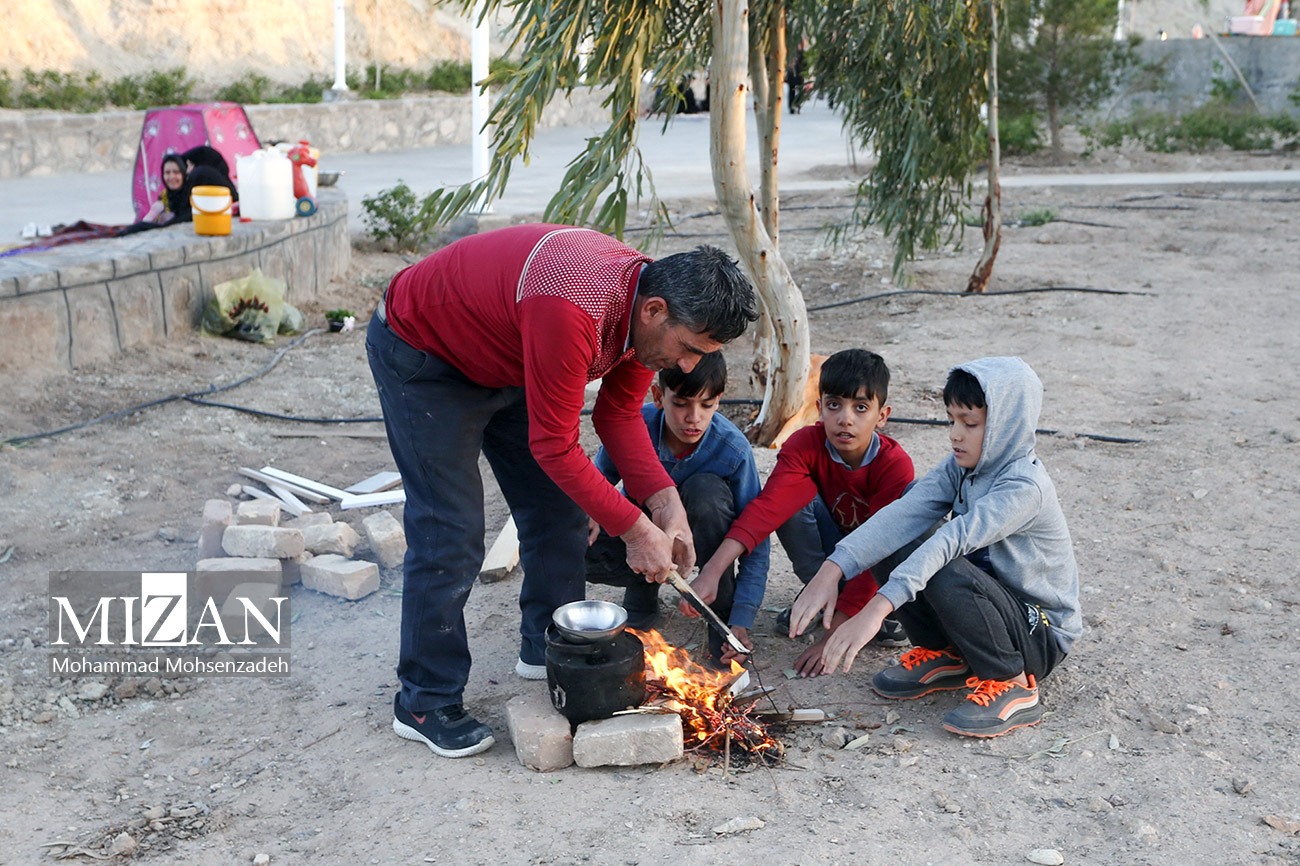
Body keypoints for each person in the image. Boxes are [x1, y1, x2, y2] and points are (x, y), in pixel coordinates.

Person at [367, 224, 758, 758]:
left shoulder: (640, 310)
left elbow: (618, 414)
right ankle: (424, 699)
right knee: (450, 530)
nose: (689, 367)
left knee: (557, 511)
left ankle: (548, 645)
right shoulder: (574, 304)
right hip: (427, 355)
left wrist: (667, 505)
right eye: (689, 349)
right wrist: (636, 527)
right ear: (654, 311)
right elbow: (555, 446)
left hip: (508, 353)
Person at [790, 357, 1081, 739]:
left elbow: (951, 541)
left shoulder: (1025, 487)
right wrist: (833, 569)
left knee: (942, 559)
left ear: (1006, 425)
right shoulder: (959, 467)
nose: (955, 435)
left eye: (970, 424)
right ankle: (946, 653)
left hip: (1036, 634)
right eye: (951, 420)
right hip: (987, 606)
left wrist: (877, 609)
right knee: (904, 532)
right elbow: (901, 516)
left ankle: (1011, 685)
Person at [691, 349, 914, 675]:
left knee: (901, 528)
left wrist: (831, 637)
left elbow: (877, 550)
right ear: (819, 407)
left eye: (861, 407)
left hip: (877, 571)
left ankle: (874, 612)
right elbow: (767, 510)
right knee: (793, 502)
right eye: (834, 405)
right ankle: (822, 598)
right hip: (829, 566)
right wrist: (711, 570)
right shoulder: (804, 445)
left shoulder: (894, 466)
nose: (845, 419)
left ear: (883, 415)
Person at [584, 352, 768, 668]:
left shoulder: (733, 449)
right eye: (681, 403)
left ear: (719, 401)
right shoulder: (634, 427)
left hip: (704, 540)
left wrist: (741, 618)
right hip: (643, 541)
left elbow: (755, 538)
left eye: (706, 405)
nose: (693, 417)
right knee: (575, 528)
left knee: (706, 493)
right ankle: (641, 589)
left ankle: (718, 615)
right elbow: (597, 484)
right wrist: (587, 513)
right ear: (659, 396)